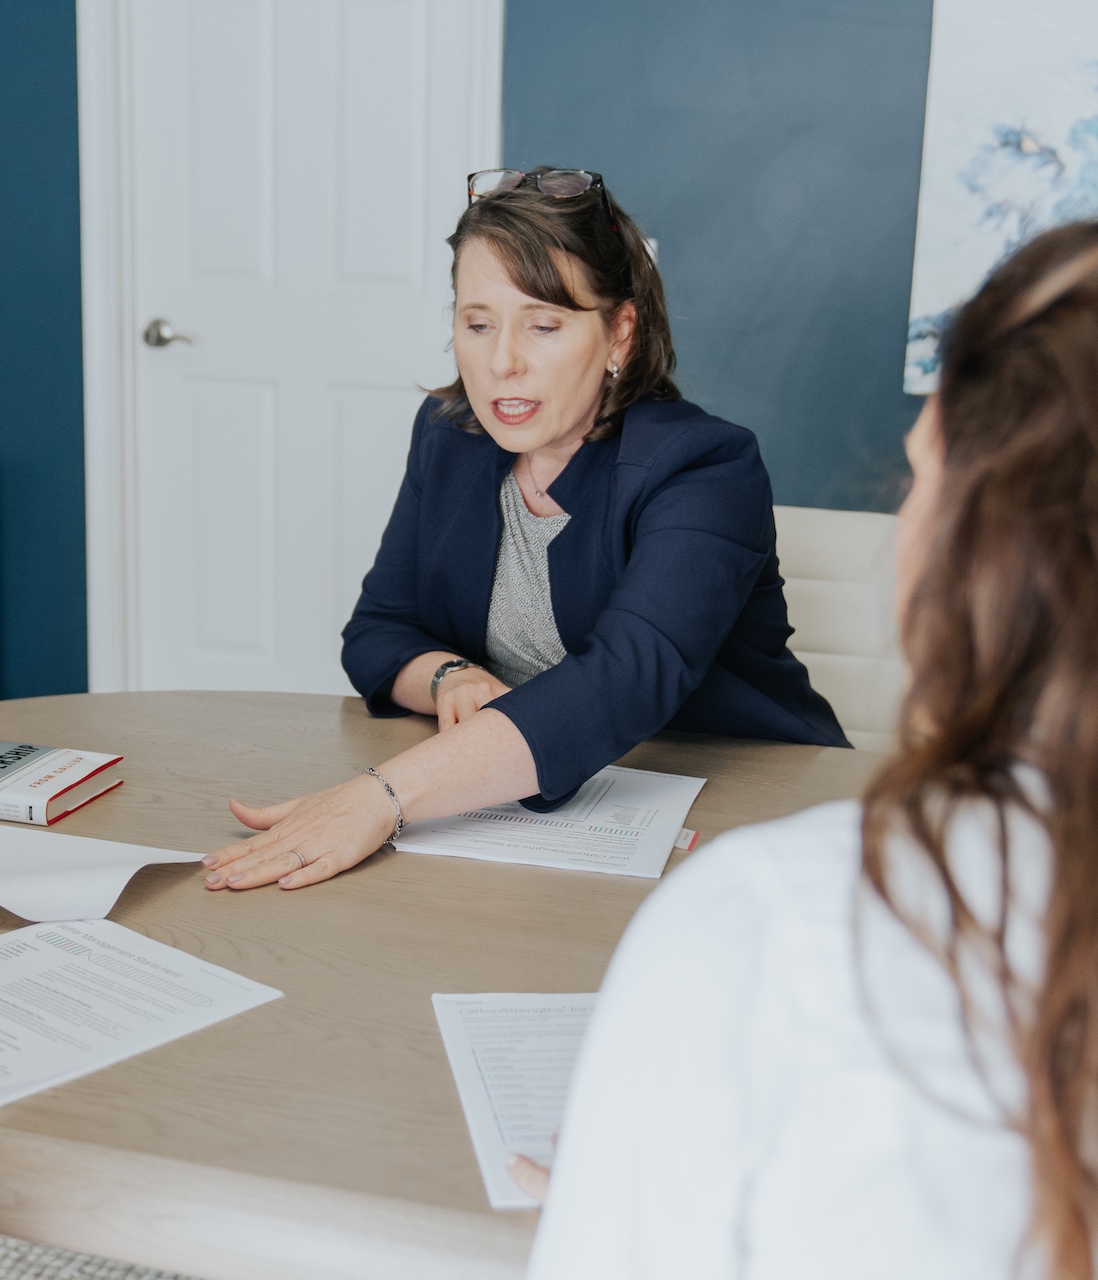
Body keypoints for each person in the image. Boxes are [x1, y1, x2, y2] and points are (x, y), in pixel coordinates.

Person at [521, 209, 1098, 1279]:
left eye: (923, 473)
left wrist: (632, 1198)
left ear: (986, 550)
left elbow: (626, 672)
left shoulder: (779, 931)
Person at [201, 167, 845, 893]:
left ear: (619, 334)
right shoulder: (450, 436)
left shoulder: (705, 466)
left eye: (543, 324)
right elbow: (378, 631)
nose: (501, 362)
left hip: (747, 812)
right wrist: (449, 676)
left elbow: (626, 676)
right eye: (478, 324)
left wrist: (379, 798)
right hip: (545, 826)